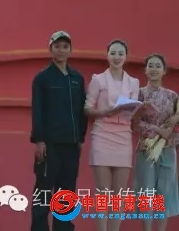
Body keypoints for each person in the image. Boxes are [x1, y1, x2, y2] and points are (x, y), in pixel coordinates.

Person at [30, 31, 88, 231]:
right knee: (44, 192)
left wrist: (80, 138)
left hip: (71, 145)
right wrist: (39, 141)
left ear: (70, 50)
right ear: (50, 49)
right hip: (50, 145)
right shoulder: (42, 78)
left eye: (65, 47)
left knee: (66, 194)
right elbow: (37, 110)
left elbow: (82, 110)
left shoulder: (77, 78)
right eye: (57, 46)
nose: (61, 50)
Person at [84, 40, 141, 231]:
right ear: (107, 55)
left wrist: (140, 111)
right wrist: (104, 112)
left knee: (119, 194)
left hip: (124, 137)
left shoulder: (133, 82)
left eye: (120, 54)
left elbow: (133, 111)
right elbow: (87, 108)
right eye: (113, 53)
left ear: (126, 57)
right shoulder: (98, 80)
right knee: (103, 192)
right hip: (102, 135)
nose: (117, 57)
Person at [132, 54, 179, 231]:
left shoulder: (173, 96)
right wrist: (158, 130)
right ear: (145, 70)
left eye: (158, 66)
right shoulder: (139, 94)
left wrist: (173, 125)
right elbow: (134, 123)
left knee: (164, 192)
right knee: (146, 192)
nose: (153, 69)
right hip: (146, 148)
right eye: (150, 65)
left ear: (164, 71)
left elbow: (176, 124)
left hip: (167, 149)